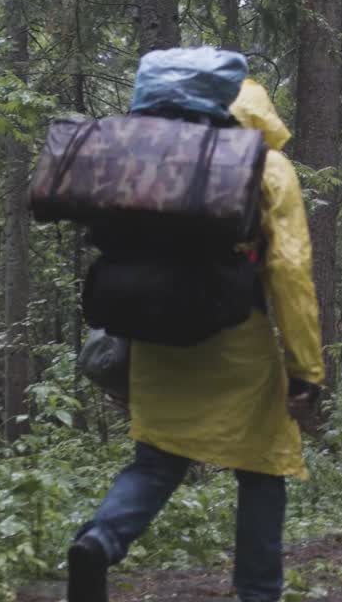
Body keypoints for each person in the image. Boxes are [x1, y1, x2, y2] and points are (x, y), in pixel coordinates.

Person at [67, 55, 323, 602]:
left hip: (155, 346)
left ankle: (99, 541)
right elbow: (290, 271)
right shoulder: (266, 164)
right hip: (238, 344)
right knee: (262, 468)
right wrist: (305, 371)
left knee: (156, 463)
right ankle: (257, 593)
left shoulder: (144, 159)